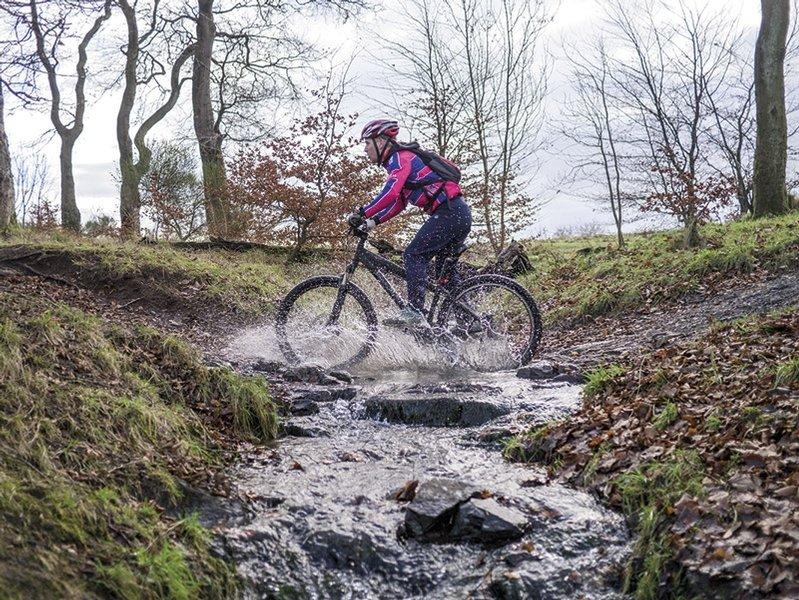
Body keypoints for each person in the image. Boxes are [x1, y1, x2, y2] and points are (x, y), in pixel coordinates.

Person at [348, 118, 472, 328]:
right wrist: (371, 222)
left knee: (413, 254)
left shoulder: (400, 158)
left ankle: (415, 311)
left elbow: (391, 192)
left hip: (450, 213)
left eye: (367, 143)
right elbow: (399, 203)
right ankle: (469, 322)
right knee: (446, 276)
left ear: (380, 141)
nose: (365, 149)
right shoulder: (400, 161)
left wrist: (362, 212)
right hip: (457, 214)